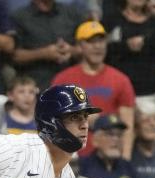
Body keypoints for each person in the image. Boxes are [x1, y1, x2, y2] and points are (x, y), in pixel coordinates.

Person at [51, 20, 136, 158]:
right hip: (73, 159)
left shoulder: (121, 80)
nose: (98, 46)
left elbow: (128, 126)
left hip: (109, 160)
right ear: (79, 46)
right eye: (91, 42)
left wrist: (125, 159)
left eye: (101, 41)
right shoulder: (63, 80)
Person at [11, 0, 87, 90]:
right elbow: (14, 56)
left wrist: (71, 50)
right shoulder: (19, 17)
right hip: (35, 87)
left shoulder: (72, 13)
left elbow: (90, 47)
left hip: (71, 86)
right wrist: (43, 53)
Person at [80, 113, 148, 178]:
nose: (116, 139)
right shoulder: (82, 167)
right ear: (95, 140)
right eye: (109, 134)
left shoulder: (129, 168)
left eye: (119, 135)